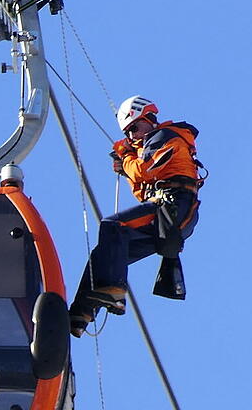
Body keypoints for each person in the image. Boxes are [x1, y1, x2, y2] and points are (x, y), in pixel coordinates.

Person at [69, 95, 203, 337]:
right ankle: (79, 315)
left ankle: (116, 292)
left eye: (134, 128)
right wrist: (126, 168)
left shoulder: (166, 136)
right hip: (165, 209)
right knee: (104, 254)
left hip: (173, 205)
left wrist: (127, 158)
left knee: (113, 225)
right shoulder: (149, 145)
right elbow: (143, 191)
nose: (131, 136)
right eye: (128, 132)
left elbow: (144, 170)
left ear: (148, 119)